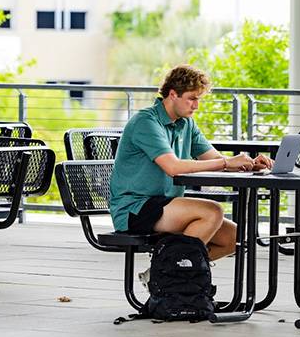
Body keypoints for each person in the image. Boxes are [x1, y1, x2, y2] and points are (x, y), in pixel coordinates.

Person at [110, 64, 273, 284]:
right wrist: (226, 162)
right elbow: (173, 167)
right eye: (191, 98)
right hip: (135, 208)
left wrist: (249, 164)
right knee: (212, 211)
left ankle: (162, 273)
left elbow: (213, 158)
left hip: (166, 204)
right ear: (172, 94)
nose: (196, 105)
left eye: (199, 99)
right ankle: (169, 278)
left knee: (234, 237)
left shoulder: (186, 124)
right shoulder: (146, 122)